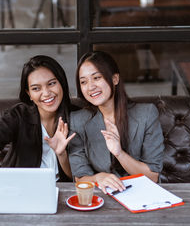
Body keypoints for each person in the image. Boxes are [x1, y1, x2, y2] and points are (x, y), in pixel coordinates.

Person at [0, 55, 77, 181]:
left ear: (62, 83)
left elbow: (78, 176)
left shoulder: (77, 116)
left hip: (61, 189)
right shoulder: (19, 115)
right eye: (36, 88)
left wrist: (62, 154)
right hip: (20, 187)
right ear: (29, 94)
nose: (46, 93)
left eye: (52, 83)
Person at [69, 51, 164, 193]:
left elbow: (152, 177)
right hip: (102, 198)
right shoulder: (78, 121)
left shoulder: (146, 114)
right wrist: (98, 178)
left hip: (142, 195)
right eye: (83, 82)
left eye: (96, 78)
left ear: (115, 79)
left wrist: (120, 153)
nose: (90, 87)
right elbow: (80, 178)